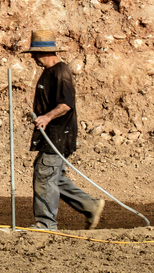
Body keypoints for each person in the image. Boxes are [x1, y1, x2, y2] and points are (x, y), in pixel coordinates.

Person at [24, 29, 103, 230]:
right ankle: (90, 206)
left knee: (44, 175)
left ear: (45, 52)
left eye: (34, 53)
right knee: (54, 177)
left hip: (58, 135)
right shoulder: (49, 72)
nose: (32, 56)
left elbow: (66, 104)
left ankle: (46, 224)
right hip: (53, 135)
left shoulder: (61, 73)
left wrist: (47, 117)